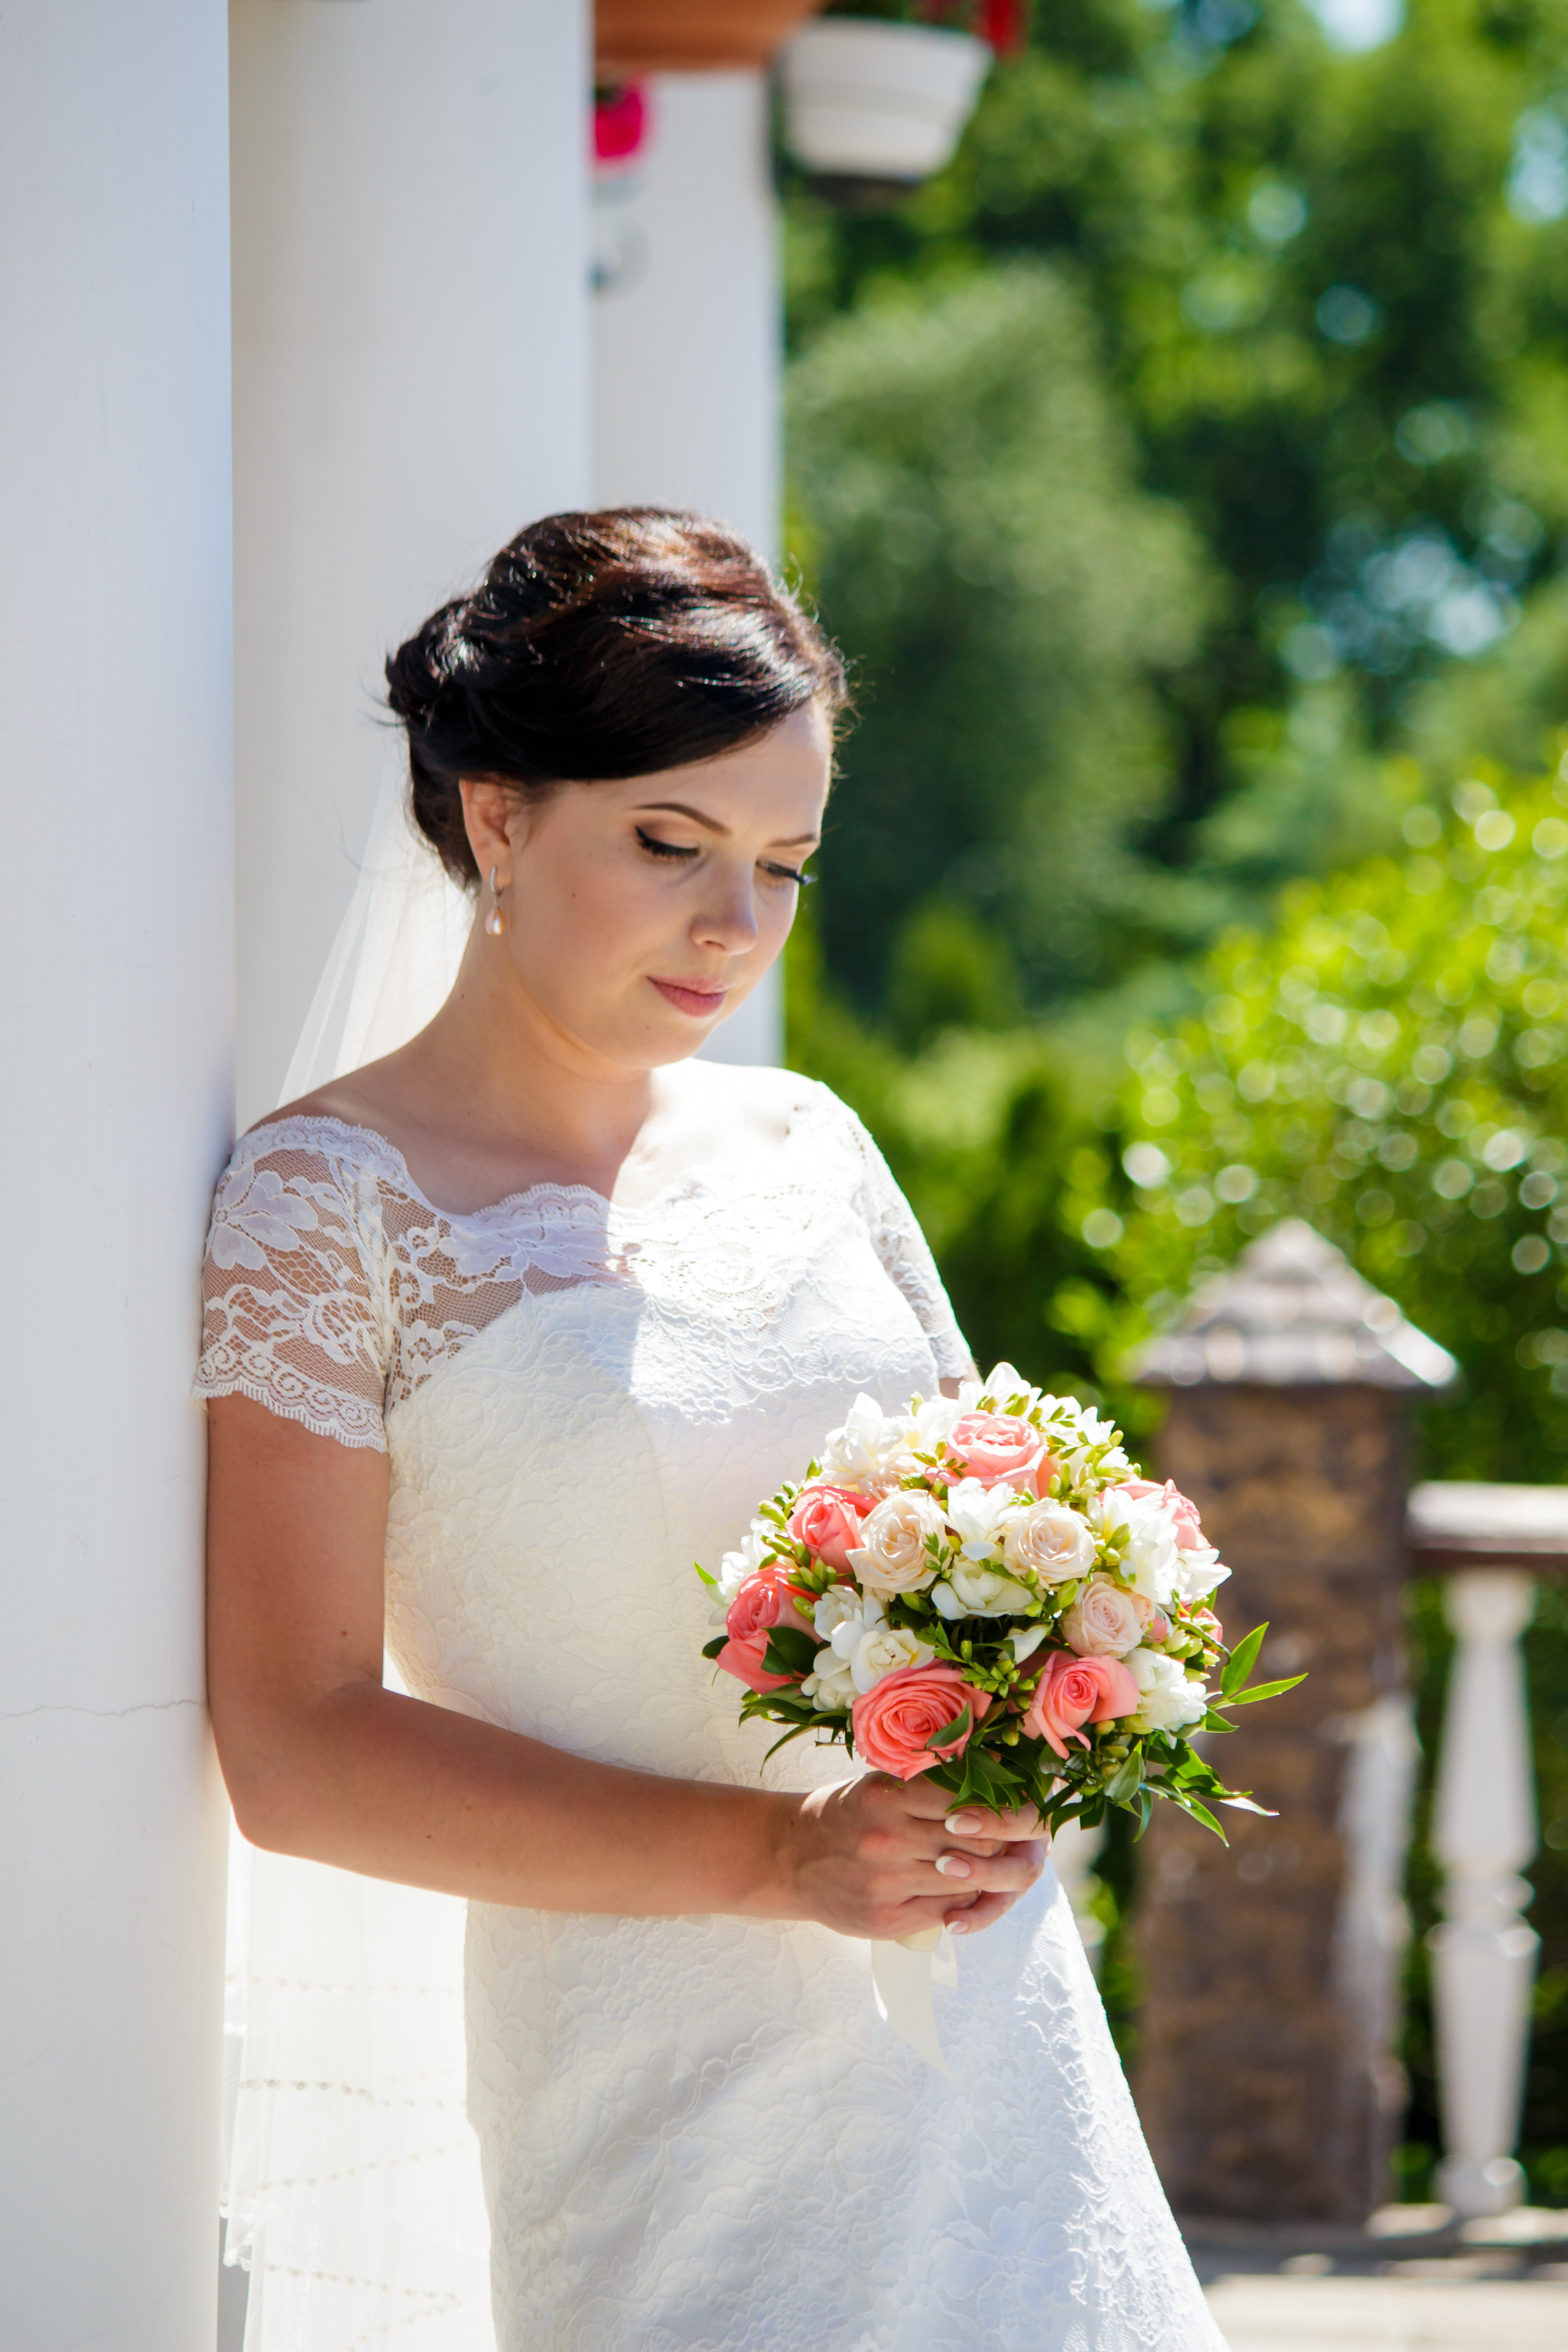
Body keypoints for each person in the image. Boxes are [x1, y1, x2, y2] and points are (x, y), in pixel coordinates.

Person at [199, 508, 1226, 2350]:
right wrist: (778, 1861)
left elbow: (999, 1527)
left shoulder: (812, 1146)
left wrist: (1040, 1738)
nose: (733, 927)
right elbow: (294, 1747)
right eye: (671, 844)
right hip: (657, 2094)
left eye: (783, 864)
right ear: (498, 815)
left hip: (989, 2068)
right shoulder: (324, 1207)